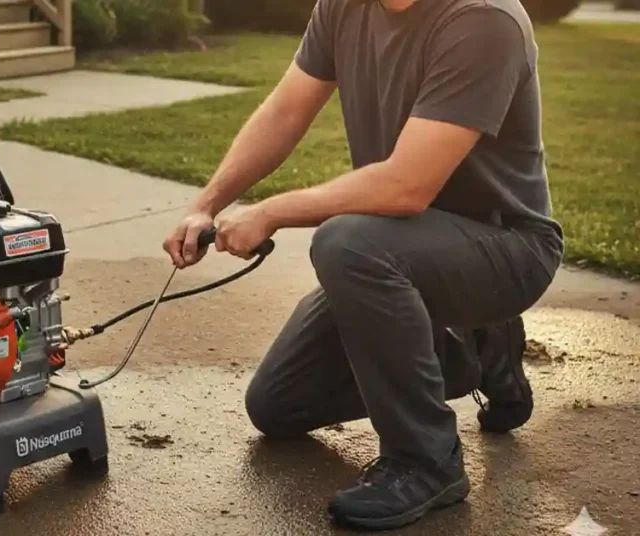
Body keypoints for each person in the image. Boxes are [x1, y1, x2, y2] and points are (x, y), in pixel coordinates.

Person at [162, 0, 564, 530]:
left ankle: (426, 459)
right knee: (277, 405)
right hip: (401, 249)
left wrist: (270, 212)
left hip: (505, 247)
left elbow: (406, 186)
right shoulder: (343, 6)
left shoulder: (481, 19)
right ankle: (474, 352)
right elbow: (285, 112)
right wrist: (205, 204)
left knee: (347, 243)